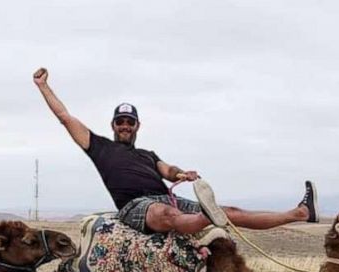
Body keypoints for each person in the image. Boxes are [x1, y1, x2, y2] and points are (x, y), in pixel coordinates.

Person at [32, 67, 318, 235]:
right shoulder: (98, 146)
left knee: (230, 211)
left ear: (137, 126)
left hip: (165, 196)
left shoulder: (148, 154)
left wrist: (182, 173)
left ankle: (299, 213)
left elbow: (168, 171)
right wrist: (44, 86)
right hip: (137, 206)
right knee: (165, 215)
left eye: (129, 122)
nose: (124, 126)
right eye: (120, 122)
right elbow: (65, 117)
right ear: (113, 125)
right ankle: (206, 219)